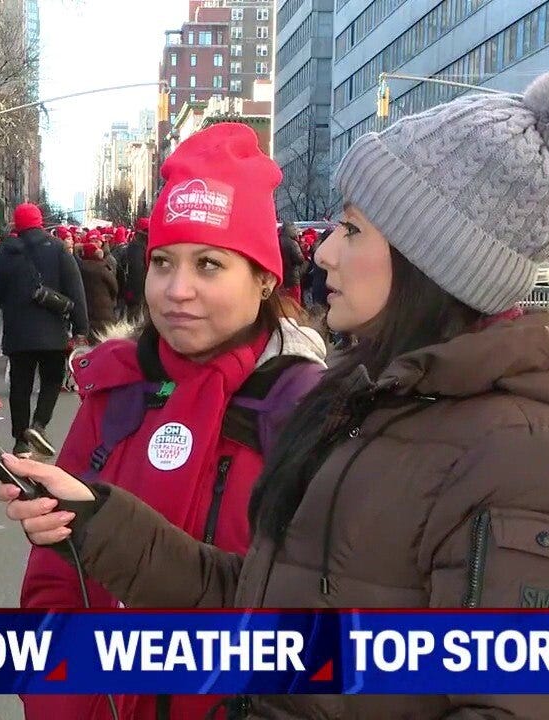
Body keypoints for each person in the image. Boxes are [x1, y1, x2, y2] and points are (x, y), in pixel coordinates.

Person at [0, 66, 549, 720]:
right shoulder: (365, 402)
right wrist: (98, 519)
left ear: (431, 259)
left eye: (353, 230)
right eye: (165, 262)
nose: (323, 252)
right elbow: (259, 604)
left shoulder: (537, 456)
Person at [18, 123, 327, 720]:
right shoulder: (113, 390)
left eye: (209, 265)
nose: (176, 290)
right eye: (162, 262)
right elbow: (55, 579)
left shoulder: (305, 410)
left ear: (264, 278)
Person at [0, 202, 89, 457]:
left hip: (18, 333)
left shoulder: (3, 255)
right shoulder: (59, 250)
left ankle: (20, 440)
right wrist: (82, 327)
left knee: (20, 385)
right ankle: (39, 424)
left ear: (17, 224)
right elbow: (76, 291)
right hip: (53, 332)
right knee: (52, 380)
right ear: (40, 222)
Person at [76, 243, 118, 340]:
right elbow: (114, 286)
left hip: (87, 311)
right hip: (104, 311)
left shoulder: (79, 268)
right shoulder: (102, 269)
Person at [120, 217, 149, 321]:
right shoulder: (137, 249)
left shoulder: (136, 248)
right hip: (137, 295)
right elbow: (136, 273)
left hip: (136, 294)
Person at [277, 221, 308, 304]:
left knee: (283, 300)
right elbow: (300, 259)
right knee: (295, 300)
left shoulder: (277, 240)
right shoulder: (292, 243)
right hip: (292, 275)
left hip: (281, 275)